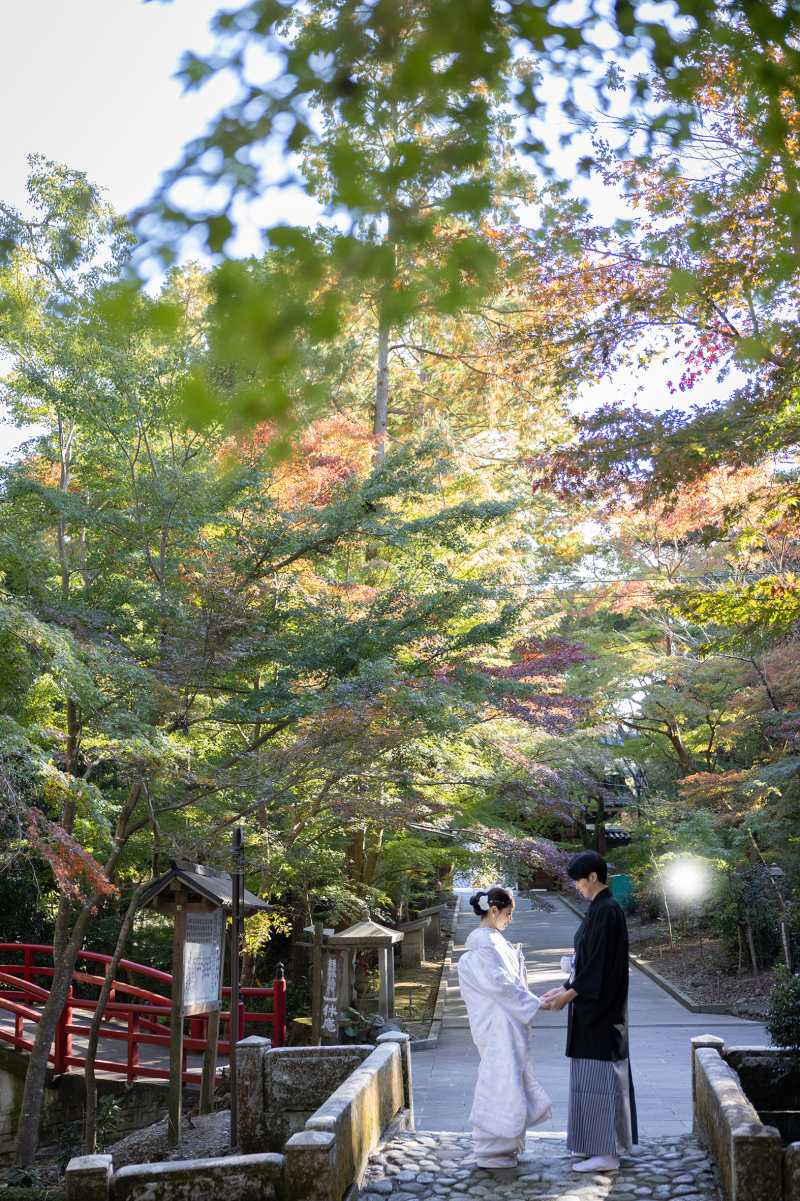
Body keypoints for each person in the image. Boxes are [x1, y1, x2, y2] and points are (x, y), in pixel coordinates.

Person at [539, 850, 638, 1174]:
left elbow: (599, 965)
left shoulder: (608, 910)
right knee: (587, 1077)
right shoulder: (599, 909)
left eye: (579, 881)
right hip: (589, 1007)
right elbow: (585, 960)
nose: (577, 887)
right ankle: (591, 1143)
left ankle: (607, 1151)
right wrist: (564, 987)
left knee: (602, 1077)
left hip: (603, 1010)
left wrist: (569, 995)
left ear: (592, 877)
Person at [457, 886, 552, 1169]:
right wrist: (535, 1003)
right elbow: (498, 984)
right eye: (508, 914)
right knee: (500, 1080)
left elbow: (509, 982)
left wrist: (532, 1000)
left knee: (508, 1079)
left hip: (505, 1021)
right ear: (493, 910)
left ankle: (505, 1146)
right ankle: (492, 1147)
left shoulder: (494, 940)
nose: (510, 919)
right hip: (497, 1024)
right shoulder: (485, 944)